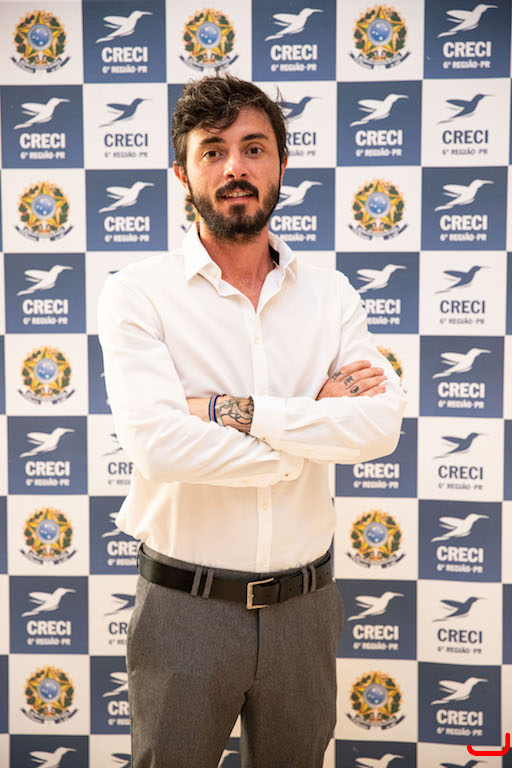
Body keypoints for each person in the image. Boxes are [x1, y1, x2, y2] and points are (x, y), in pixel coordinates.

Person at [97, 73, 407, 768]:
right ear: (183, 173)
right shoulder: (137, 295)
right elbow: (160, 447)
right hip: (185, 609)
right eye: (213, 151)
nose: (235, 166)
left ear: (281, 165)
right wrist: (309, 430)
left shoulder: (331, 295)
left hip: (306, 609)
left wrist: (223, 411)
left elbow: (378, 426)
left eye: (254, 148)